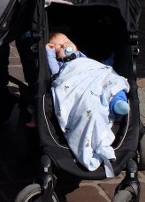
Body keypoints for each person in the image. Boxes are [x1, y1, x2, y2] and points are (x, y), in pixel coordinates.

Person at [45, 31, 130, 177]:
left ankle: (117, 103)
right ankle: (103, 112)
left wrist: (113, 58)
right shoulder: (60, 65)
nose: (65, 45)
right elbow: (53, 71)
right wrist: (49, 52)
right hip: (74, 81)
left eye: (66, 41)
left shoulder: (85, 57)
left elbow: (103, 66)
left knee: (113, 81)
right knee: (87, 104)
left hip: (94, 73)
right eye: (59, 46)